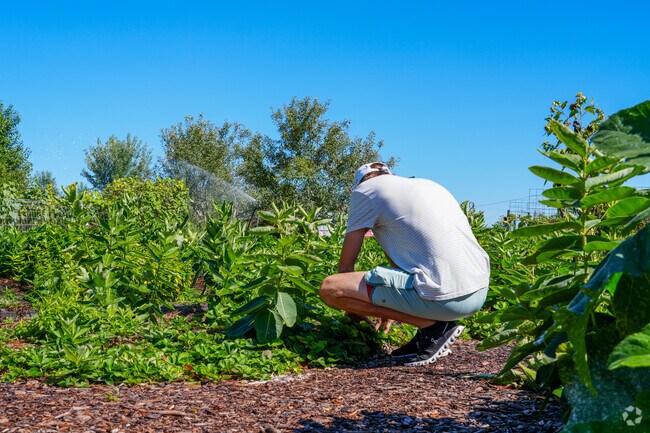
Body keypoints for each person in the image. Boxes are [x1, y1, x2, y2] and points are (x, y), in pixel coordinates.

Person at [319, 162, 490, 366]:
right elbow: (404, 263)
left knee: (330, 287)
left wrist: (360, 312)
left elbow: (345, 269)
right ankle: (429, 328)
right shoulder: (427, 185)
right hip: (479, 292)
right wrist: (390, 301)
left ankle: (433, 329)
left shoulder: (365, 192)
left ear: (360, 184)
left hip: (446, 297)